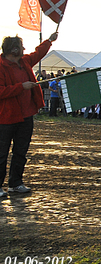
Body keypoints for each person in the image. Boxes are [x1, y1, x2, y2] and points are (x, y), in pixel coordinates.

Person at [0, 32, 58, 197]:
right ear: (14, 50)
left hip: (26, 116)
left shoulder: (24, 62)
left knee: (20, 152)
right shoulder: (0, 66)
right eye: (21, 46)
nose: (24, 49)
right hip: (6, 117)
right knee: (1, 153)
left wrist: (49, 41)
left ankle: (15, 183)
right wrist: (21, 87)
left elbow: (37, 53)